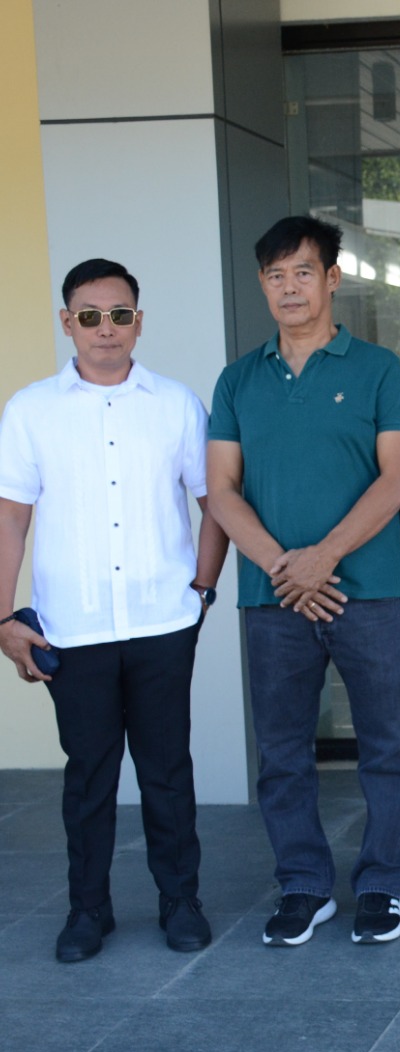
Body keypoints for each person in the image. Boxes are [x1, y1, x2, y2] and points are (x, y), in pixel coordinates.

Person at [0, 259, 229, 962]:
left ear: (139, 320)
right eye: (91, 316)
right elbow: (10, 518)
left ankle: (180, 901)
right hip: (76, 627)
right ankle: (87, 911)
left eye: (120, 314)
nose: (107, 328)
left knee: (166, 771)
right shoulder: (30, 409)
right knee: (89, 775)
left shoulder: (177, 403)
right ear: (67, 322)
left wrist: (202, 590)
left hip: (163, 621)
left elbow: (215, 503)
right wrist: (5, 618)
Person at [206, 215, 400, 947]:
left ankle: (382, 884)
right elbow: (222, 491)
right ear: (262, 284)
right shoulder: (238, 378)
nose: (289, 287)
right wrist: (283, 566)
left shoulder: (378, 369)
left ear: (332, 278)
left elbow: (397, 479)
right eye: (275, 274)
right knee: (285, 751)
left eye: (303, 271)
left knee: (389, 744)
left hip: (372, 594)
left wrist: (323, 556)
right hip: (272, 600)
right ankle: (303, 884)